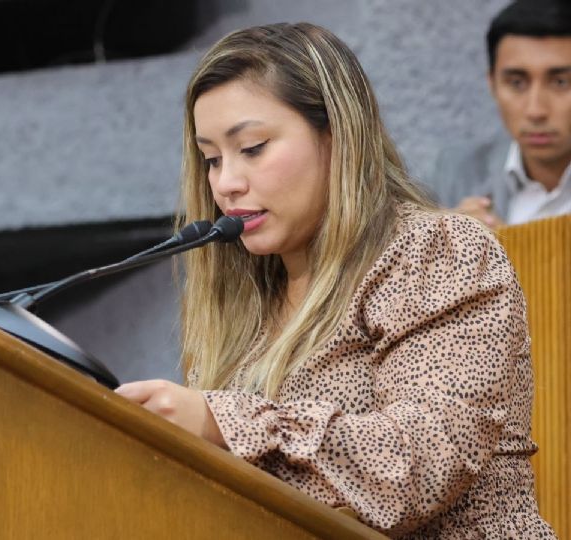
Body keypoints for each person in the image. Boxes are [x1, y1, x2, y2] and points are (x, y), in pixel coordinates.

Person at [114, 23, 555, 538]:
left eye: (252, 148)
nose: (226, 183)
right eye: (212, 158)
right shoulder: (246, 301)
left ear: (338, 137)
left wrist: (221, 423)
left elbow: (420, 467)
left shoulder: (437, 251)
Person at [430, 0, 571, 227]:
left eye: (561, 82)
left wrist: (505, 255)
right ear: (493, 84)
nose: (536, 111)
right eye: (516, 83)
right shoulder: (459, 172)